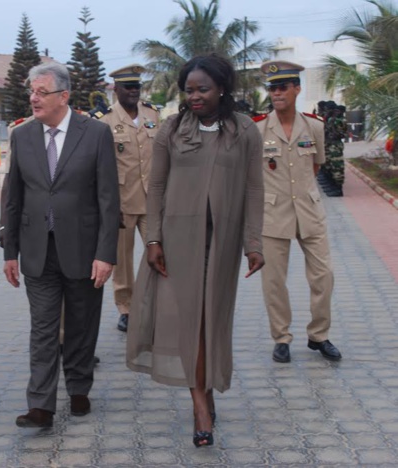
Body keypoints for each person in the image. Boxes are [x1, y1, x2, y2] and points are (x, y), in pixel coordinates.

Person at [126, 54, 265, 447]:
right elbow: (155, 187)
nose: (195, 96)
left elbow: (255, 189)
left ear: (222, 88)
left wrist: (253, 243)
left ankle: (205, 390)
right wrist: (153, 239)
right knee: (188, 324)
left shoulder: (244, 132)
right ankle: (200, 406)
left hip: (221, 245)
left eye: (202, 89)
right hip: (176, 243)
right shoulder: (171, 129)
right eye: (188, 90)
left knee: (210, 322)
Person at [3, 62, 120, 428]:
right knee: (43, 328)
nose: (34, 99)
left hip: (84, 249)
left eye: (41, 92)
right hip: (38, 249)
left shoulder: (96, 133)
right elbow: (12, 196)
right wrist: (8, 250)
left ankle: (80, 387)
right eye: (31, 92)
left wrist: (106, 253)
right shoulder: (22, 136)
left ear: (64, 96)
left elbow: (108, 199)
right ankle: (41, 405)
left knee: (83, 324)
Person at [255, 61, 342, 364]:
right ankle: (281, 337)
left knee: (324, 276)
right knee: (274, 281)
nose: (276, 93)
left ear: (296, 88)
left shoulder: (314, 125)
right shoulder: (258, 129)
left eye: (282, 87)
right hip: (273, 214)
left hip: (309, 210)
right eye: (272, 88)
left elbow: (315, 165)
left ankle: (319, 335)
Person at [96, 64, 160, 332]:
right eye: (128, 87)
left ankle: (155, 304)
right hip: (122, 203)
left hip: (153, 201)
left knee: (158, 255)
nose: (134, 92)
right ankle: (126, 308)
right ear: (116, 89)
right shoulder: (104, 121)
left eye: (137, 86)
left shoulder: (153, 114)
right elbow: (100, 167)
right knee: (122, 261)